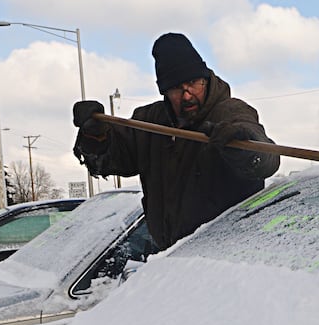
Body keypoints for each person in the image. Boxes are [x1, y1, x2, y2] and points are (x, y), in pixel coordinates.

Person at [72, 33, 280, 251]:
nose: (187, 95)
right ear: (165, 91)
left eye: (193, 83)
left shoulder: (230, 113)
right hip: (170, 258)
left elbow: (267, 160)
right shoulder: (149, 122)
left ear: (205, 79)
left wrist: (243, 145)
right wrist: (95, 135)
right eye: (177, 88)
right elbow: (112, 159)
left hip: (229, 255)